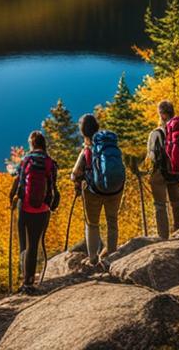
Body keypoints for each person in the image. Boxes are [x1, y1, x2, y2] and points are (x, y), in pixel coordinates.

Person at [71, 113, 124, 268]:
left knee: (92, 224)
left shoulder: (87, 150)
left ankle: (93, 259)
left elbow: (75, 175)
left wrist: (76, 180)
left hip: (93, 192)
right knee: (112, 221)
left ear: (82, 132)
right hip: (115, 190)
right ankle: (113, 256)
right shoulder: (109, 145)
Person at [9, 131, 58, 294]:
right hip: (42, 209)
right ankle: (29, 280)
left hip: (24, 207)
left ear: (32, 144)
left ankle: (25, 280)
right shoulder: (50, 162)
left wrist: (12, 198)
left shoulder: (26, 160)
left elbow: (18, 179)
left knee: (24, 244)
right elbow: (53, 186)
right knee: (34, 244)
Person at [145, 100, 179, 239]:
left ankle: (163, 237)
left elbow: (151, 155)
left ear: (162, 115)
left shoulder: (156, 133)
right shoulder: (178, 130)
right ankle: (178, 229)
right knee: (177, 202)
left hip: (160, 172)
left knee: (160, 205)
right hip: (175, 171)